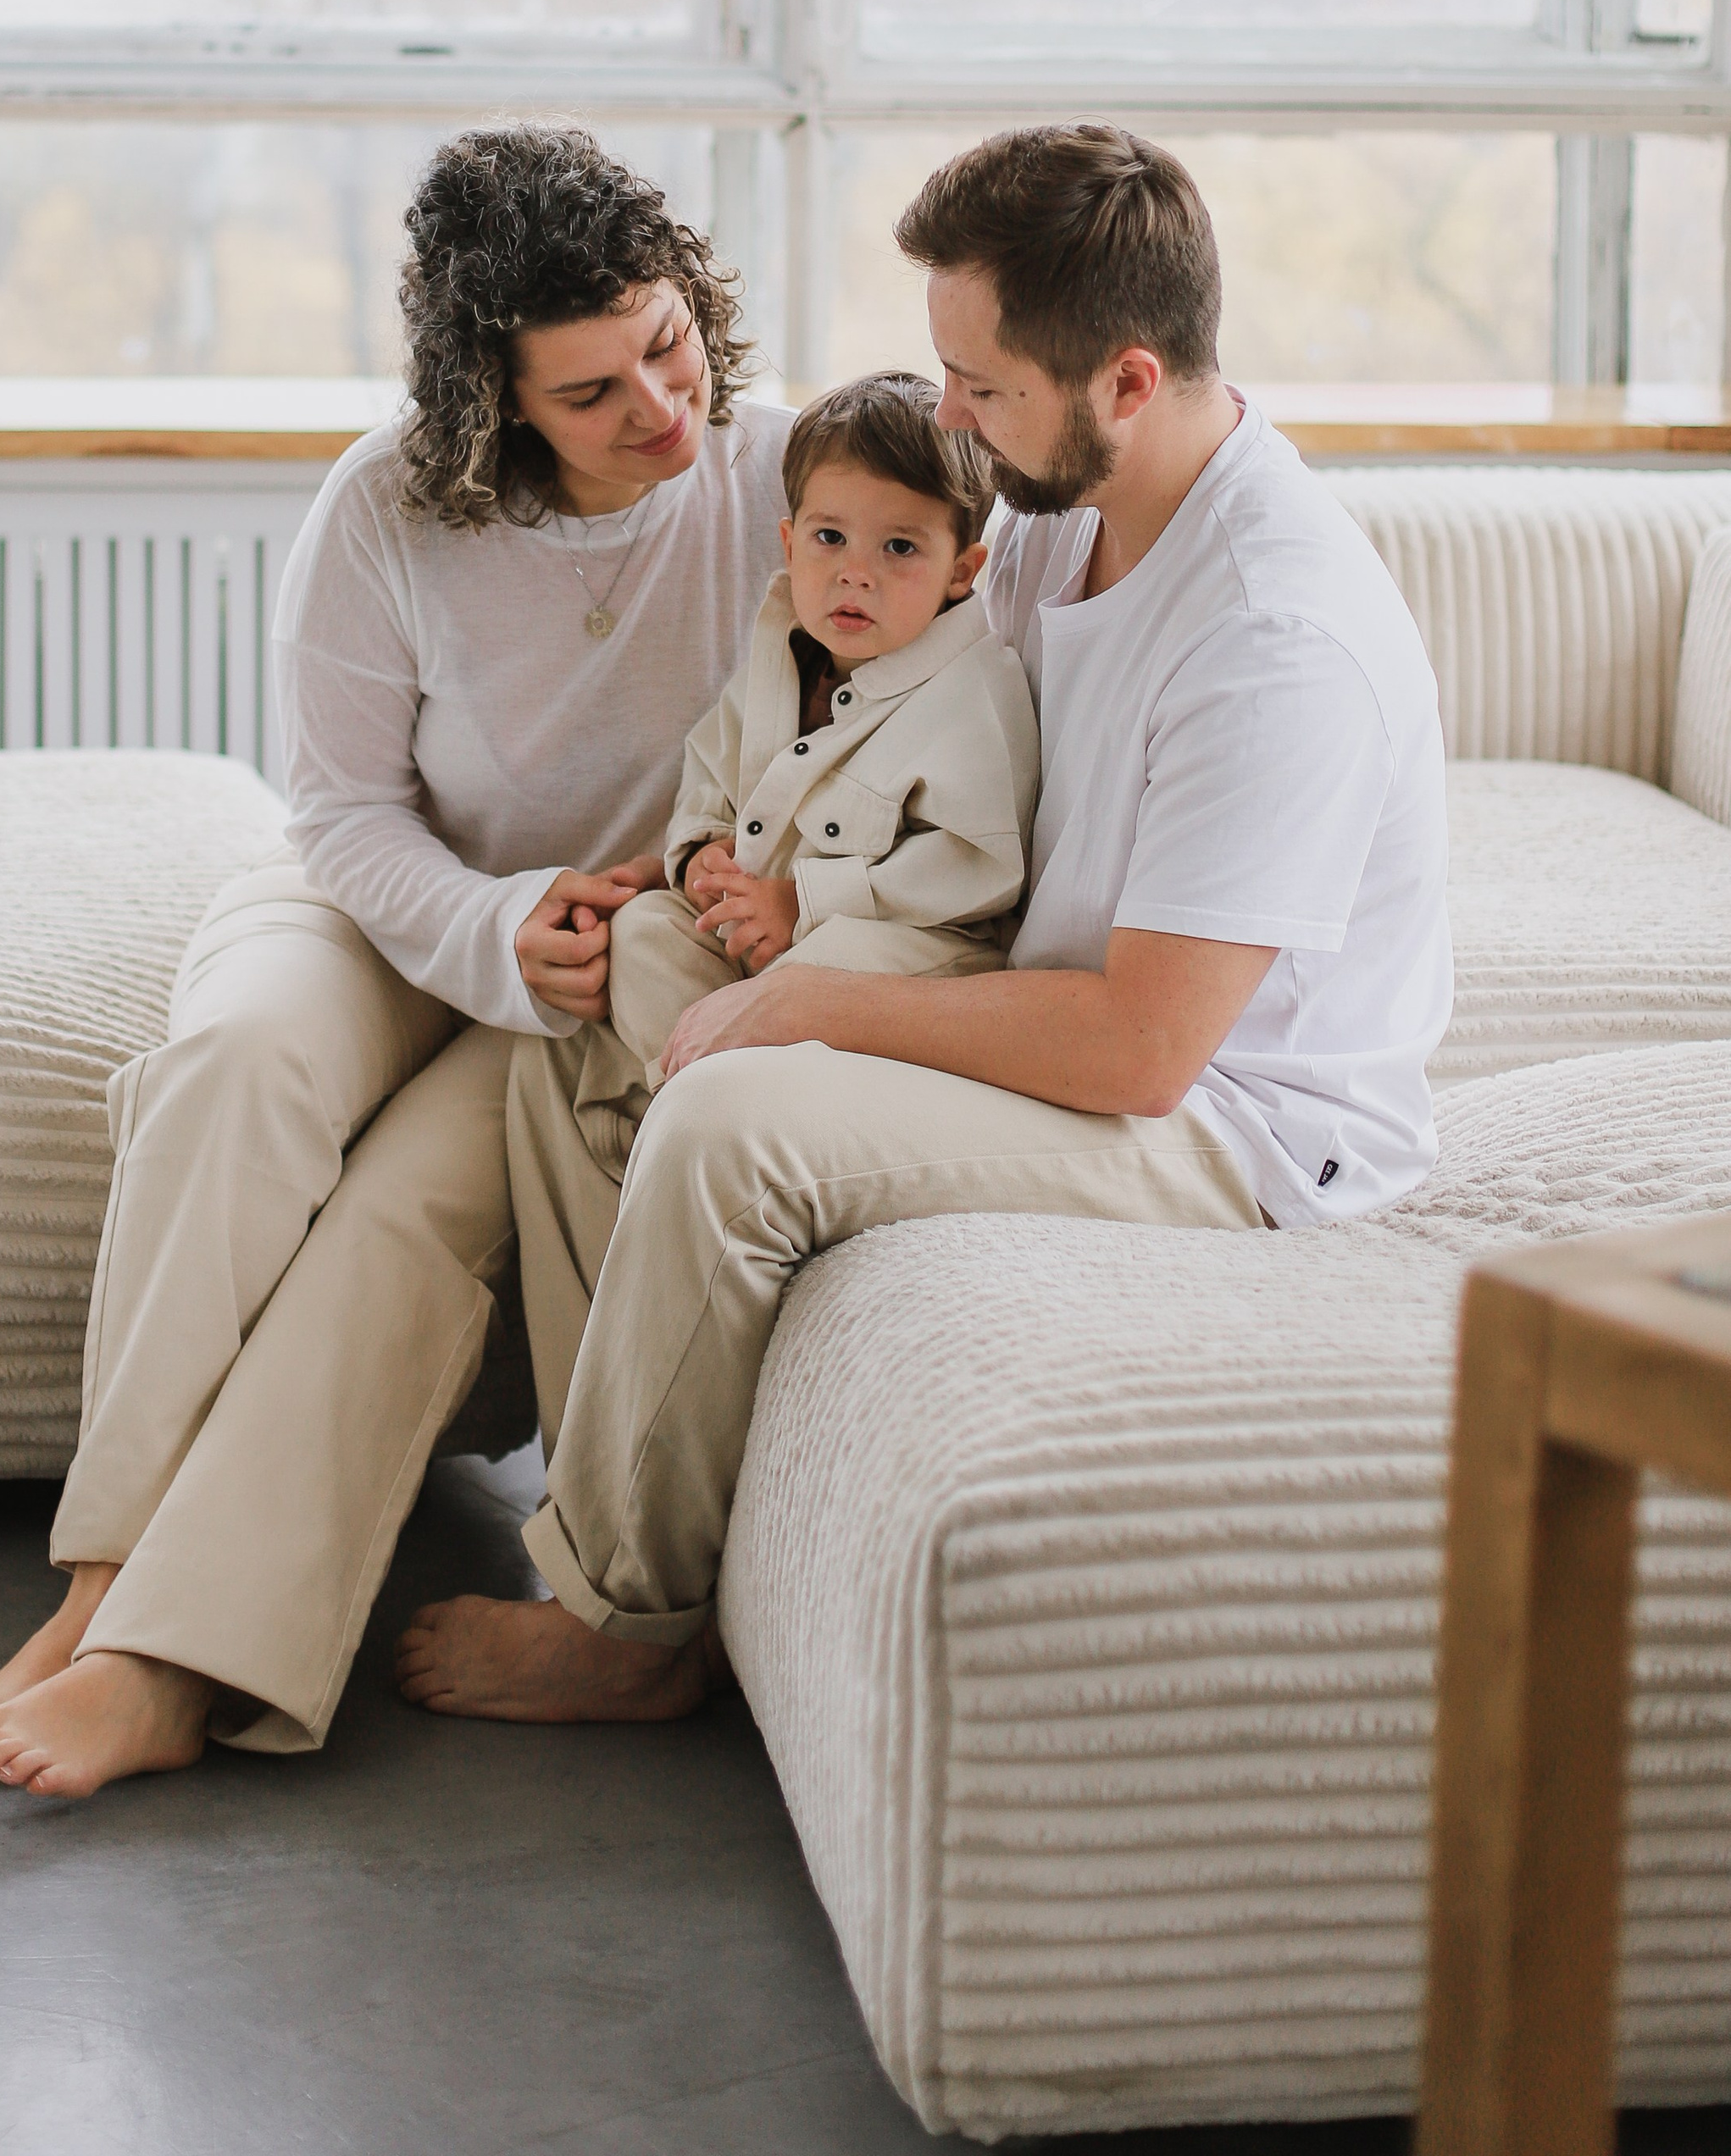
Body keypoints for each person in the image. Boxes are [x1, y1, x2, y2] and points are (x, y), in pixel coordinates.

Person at [395, 120, 1453, 1726]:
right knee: (598, 1009)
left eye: (984, 388)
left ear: (1127, 382)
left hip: (1239, 1130)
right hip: (1046, 1000)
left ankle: (622, 1627)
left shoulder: (1273, 638)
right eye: (944, 372)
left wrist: (809, 1004)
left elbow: (1144, 1050)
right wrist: (745, 899)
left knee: (733, 1123)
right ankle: (639, 1487)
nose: (951, 416)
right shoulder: (1054, 514)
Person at [0, 122, 790, 1796]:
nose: (660, 410)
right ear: (494, 405)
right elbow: (336, 813)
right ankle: (97, 1594)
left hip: (599, 956)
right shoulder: (387, 507)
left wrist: (568, 940)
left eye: (668, 347)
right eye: (593, 392)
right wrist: (480, 924)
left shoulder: (781, 480)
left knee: (403, 1200)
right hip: (383, 895)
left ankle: (173, 1667)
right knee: (235, 1068)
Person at [514, 373, 1040, 1452]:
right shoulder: (778, 645)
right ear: (790, 537)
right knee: (641, 941)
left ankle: (711, 1133)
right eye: (832, 538)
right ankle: (688, 1140)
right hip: (756, 942)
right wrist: (699, 851)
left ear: (961, 571)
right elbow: (713, 764)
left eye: (901, 549)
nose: (855, 573)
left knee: (703, 993)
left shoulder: (970, 691)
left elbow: (977, 868)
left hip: (888, 960)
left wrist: (807, 903)